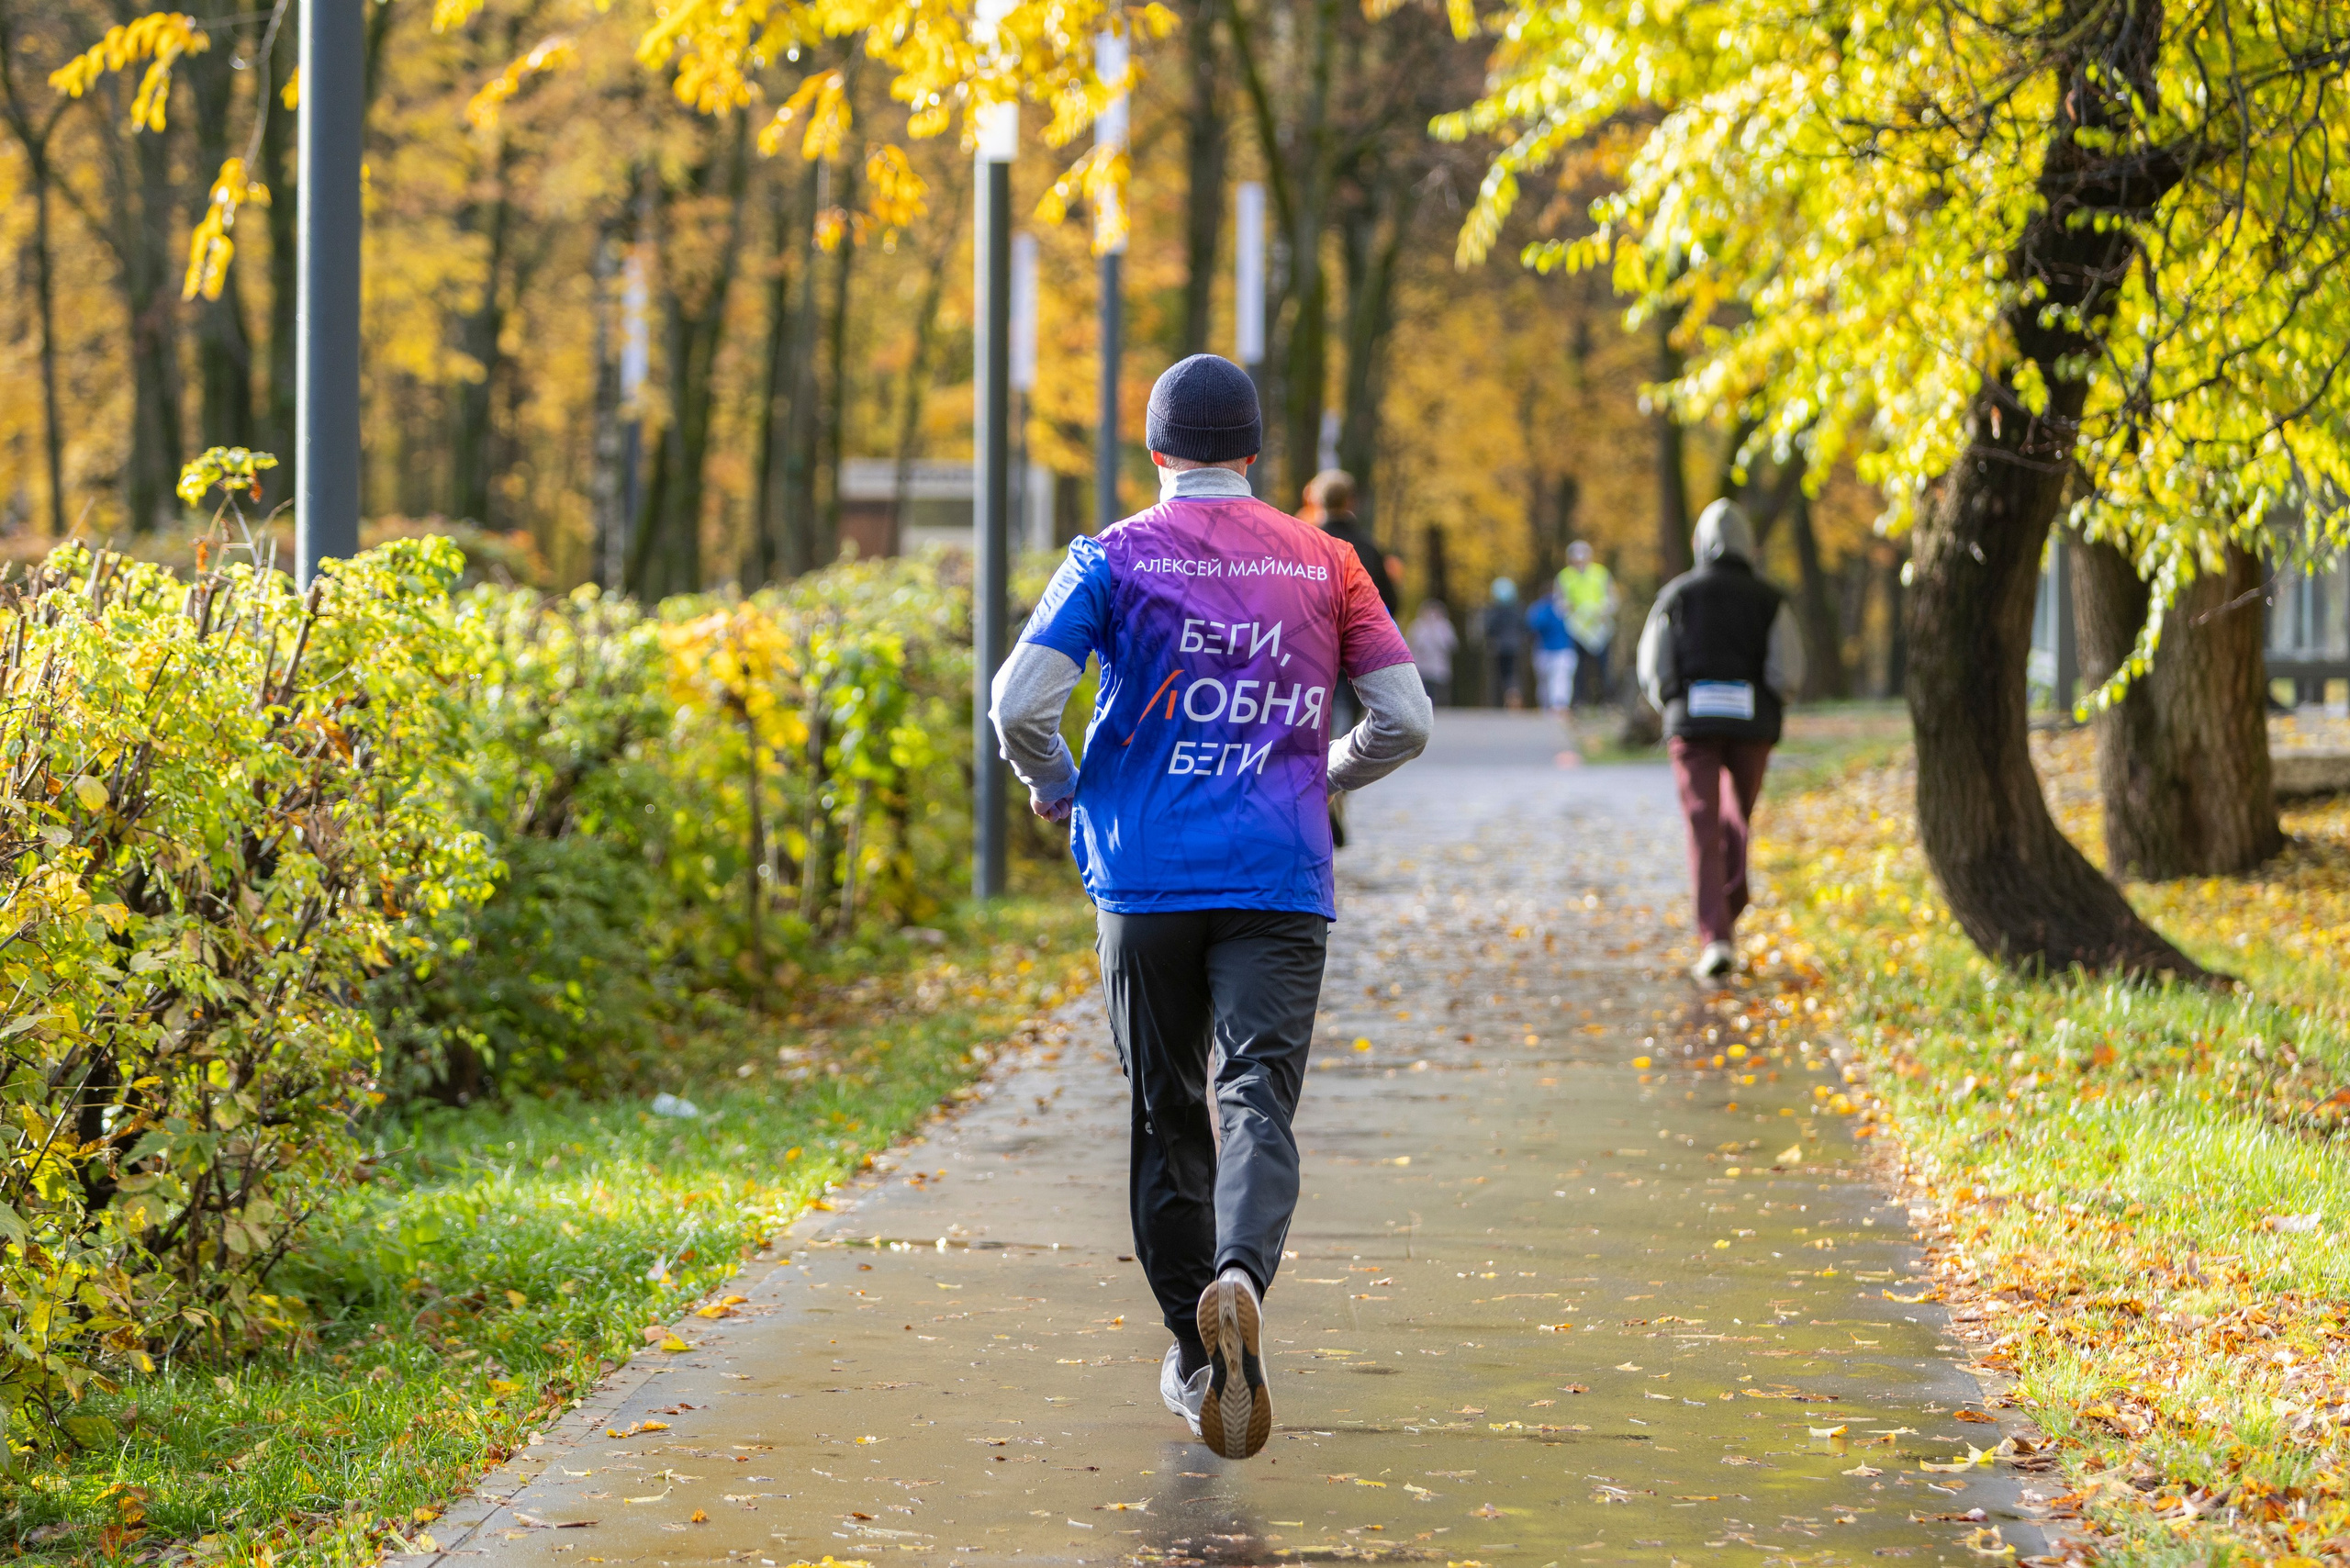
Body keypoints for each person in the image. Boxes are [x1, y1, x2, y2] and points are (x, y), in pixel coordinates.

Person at [988, 353, 1432, 1460]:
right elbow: (1406, 719)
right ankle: (1241, 1276)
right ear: (1253, 452)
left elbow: (1016, 701)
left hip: (1144, 873)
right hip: (1278, 873)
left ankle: (1196, 1359)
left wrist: (1053, 784)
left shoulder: (1109, 556)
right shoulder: (1329, 563)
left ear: (1156, 453)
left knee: (1162, 1114)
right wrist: (1318, 771)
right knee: (1254, 1101)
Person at [1636, 498, 1805, 980]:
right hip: (1753, 728)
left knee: (1703, 823)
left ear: (1698, 543)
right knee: (1736, 820)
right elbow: (1786, 669)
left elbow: (1654, 665)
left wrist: (1671, 698)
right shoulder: (1771, 599)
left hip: (1692, 725)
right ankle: (1723, 924)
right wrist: (1767, 699)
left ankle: (1717, 931)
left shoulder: (1677, 594)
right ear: (1749, 543)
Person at [1303, 469, 1398, 614]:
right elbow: (1389, 602)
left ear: (1318, 502)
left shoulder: (1304, 546)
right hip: (1359, 632)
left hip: (1316, 633)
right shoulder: (1369, 549)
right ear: (1350, 501)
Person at [1558, 542, 1620, 706]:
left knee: (1604, 667)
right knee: (1579, 668)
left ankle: (1607, 701)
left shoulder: (1600, 573)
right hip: (1577, 630)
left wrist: (1603, 610)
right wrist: (1567, 607)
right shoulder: (1565, 576)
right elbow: (1560, 602)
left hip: (1600, 628)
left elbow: (1613, 599)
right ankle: (1580, 701)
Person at [1526, 586, 1576, 714]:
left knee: (1560, 678)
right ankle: (1550, 706)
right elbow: (1534, 626)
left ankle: (1559, 705)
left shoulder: (1566, 607)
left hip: (1560, 649)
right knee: (1548, 680)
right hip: (1547, 650)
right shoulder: (1542, 608)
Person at [1481, 578, 1523, 708]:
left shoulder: (1494, 610)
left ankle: (1501, 700)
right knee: (1512, 672)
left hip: (1499, 646)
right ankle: (1513, 693)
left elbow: (1489, 628)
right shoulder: (1518, 609)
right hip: (1515, 645)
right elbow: (1524, 626)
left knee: (1500, 674)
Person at [1405, 599, 1458, 705]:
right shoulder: (1417, 625)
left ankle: (1441, 706)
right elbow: (1411, 643)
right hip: (1422, 665)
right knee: (1425, 688)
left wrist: (1436, 634)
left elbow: (1451, 644)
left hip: (1439, 665)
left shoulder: (1444, 626)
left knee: (1438, 689)